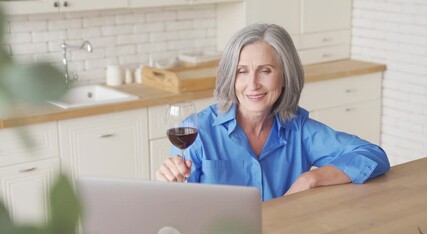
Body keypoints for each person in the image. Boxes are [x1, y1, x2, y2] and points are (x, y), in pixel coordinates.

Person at [156, 23, 390, 201]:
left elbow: (372, 155)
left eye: (265, 71)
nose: (253, 84)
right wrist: (169, 186)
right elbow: (178, 209)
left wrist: (311, 178)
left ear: (285, 76)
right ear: (231, 76)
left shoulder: (300, 130)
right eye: (242, 71)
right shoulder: (198, 132)